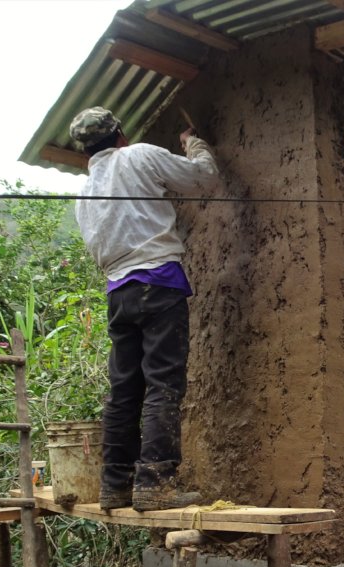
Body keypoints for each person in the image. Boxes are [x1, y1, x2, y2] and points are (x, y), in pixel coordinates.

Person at [69, 106, 220, 512]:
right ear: (120, 134)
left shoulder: (83, 194)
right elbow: (205, 177)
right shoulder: (137, 155)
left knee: (124, 391)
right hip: (158, 281)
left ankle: (115, 485)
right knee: (164, 384)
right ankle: (156, 485)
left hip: (118, 293)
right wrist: (194, 144)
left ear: (85, 150)